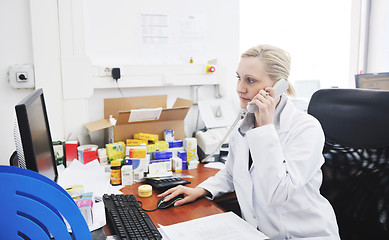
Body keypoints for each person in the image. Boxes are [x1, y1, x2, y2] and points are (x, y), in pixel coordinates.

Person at [159, 44, 340, 239]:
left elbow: (278, 194)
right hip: (257, 232)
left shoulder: (305, 128)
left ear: (278, 86)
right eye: (239, 78)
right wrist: (201, 189)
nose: (239, 88)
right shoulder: (245, 124)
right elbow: (231, 173)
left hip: (303, 235)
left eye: (250, 80)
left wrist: (265, 129)